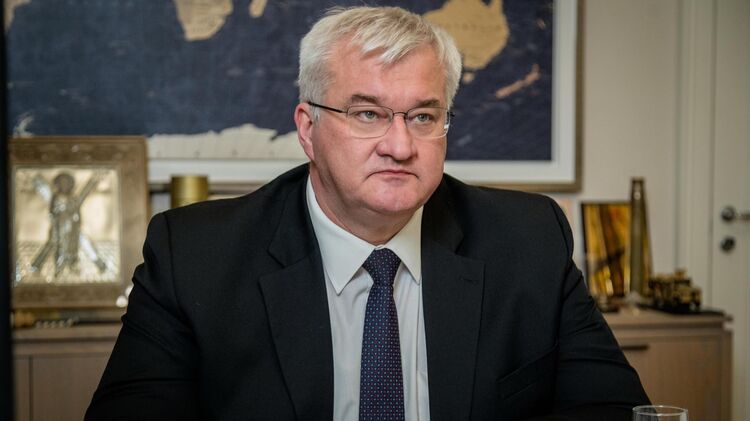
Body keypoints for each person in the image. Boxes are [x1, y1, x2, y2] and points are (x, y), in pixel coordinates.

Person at [86, 6, 649, 421]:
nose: (400, 146)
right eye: (368, 114)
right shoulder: (196, 257)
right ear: (308, 129)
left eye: (423, 117)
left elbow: (615, 411)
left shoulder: (527, 241)